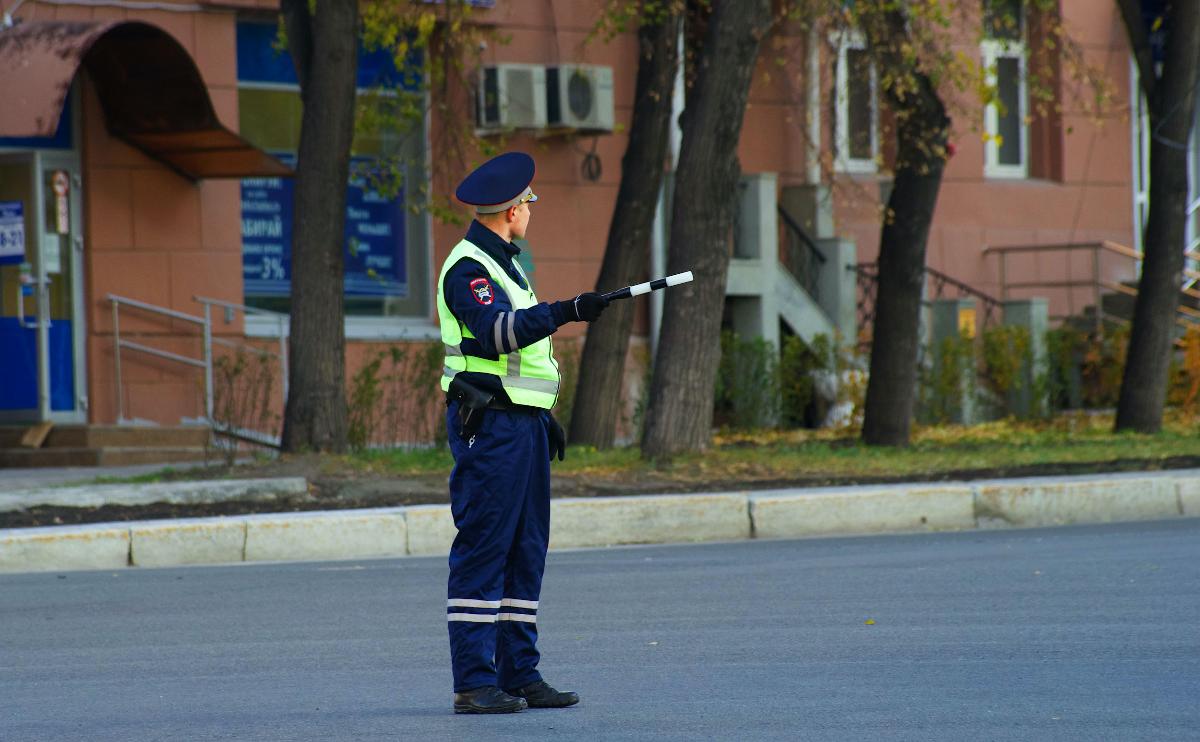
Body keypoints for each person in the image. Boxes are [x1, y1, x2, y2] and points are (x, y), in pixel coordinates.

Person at [436, 151, 609, 714]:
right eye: (528, 204)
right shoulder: (469, 268)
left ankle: (520, 674)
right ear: (512, 211)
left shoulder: (505, 263)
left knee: (525, 550)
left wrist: (540, 413)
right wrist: (570, 309)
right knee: (485, 548)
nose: (530, 211)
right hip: (490, 427)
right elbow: (495, 336)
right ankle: (475, 682)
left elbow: (519, 365)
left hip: (519, 423)